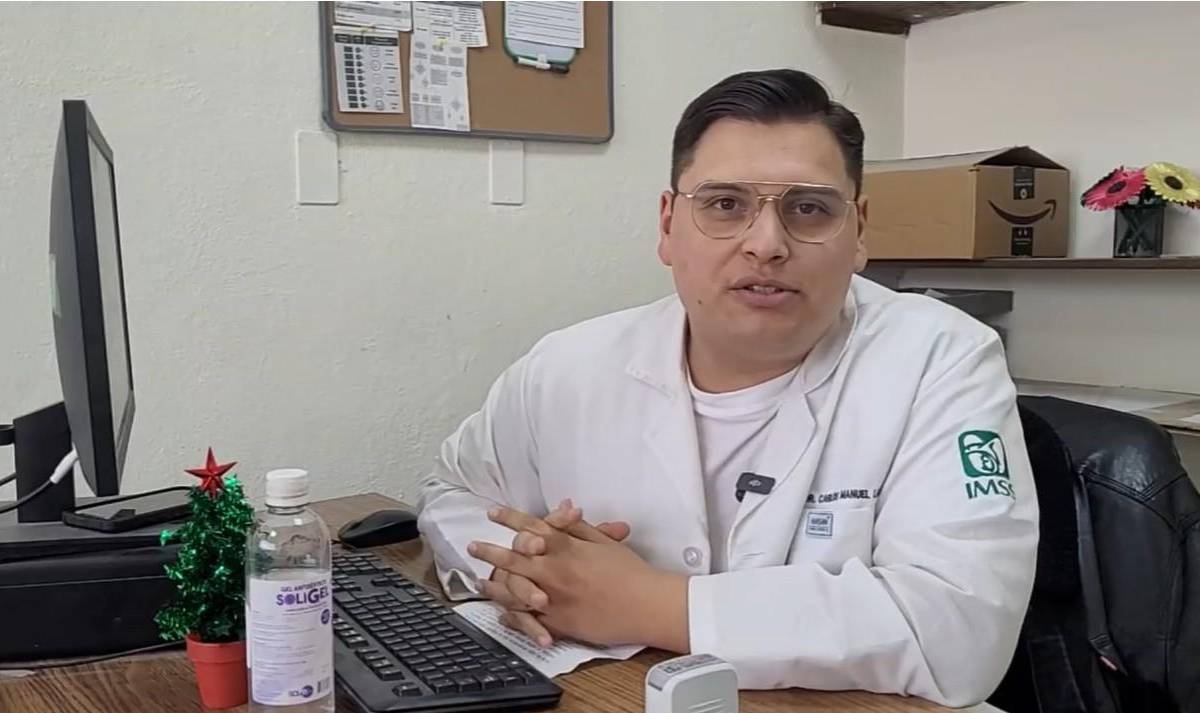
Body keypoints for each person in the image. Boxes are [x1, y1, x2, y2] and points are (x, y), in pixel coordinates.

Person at [417, 68, 1038, 708]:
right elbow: (454, 493)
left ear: (859, 232)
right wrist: (521, 571)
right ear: (667, 225)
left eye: (809, 208)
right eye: (725, 204)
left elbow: (961, 627)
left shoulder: (941, 358)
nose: (766, 245)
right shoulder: (568, 365)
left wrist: (648, 605)